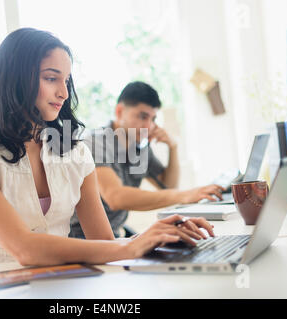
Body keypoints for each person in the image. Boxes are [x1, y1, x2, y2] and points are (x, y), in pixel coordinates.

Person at [0, 28, 215, 267]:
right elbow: (25, 250)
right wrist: (134, 243)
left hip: (66, 287)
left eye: (66, 81)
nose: (64, 93)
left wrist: (162, 239)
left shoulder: (75, 154)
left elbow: (106, 244)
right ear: (15, 79)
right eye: (51, 78)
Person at [70, 81, 224, 238]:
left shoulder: (140, 147)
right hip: (79, 240)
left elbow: (167, 187)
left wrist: (173, 147)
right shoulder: (94, 143)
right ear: (119, 112)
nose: (149, 126)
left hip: (113, 236)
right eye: (143, 117)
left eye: (153, 119)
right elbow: (115, 197)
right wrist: (184, 195)